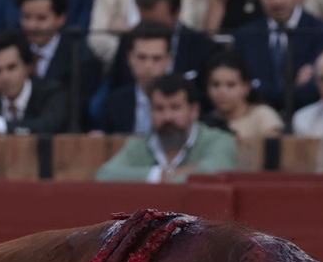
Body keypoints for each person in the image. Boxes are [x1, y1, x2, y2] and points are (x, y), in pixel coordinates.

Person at [234, 0, 323, 111]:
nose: (277, 1)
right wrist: (294, 87)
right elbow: (243, 91)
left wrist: (261, 87)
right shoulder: (246, 35)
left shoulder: (321, 32)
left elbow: (313, 91)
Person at [98, 74, 239, 182]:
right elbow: (105, 175)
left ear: (194, 110)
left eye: (175, 107)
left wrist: (158, 179)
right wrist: (159, 174)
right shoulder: (139, 146)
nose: (167, 117)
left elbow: (216, 172)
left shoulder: (219, 140)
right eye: (159, 109)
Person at [107, 0, 215, 92]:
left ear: (177, 13)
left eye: (158, 23)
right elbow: (117, 89)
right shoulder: (128, 41)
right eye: (146, 22)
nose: (153, 29)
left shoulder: (203, 47)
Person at [19, 0, 99, 96]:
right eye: (27, 17)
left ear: (61, 19)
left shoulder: (81, 58)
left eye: (41, 18)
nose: (32, 26)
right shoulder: (12, 47)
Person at [101, 23, 179, 136]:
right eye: (141, 57)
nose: (148, 65)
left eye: (156, 58)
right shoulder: (114, 104)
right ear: (129, 58)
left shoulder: (181, 102)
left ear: (168, 60)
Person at [201, 47, 284, 139]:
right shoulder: (206, 122)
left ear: (247, 87)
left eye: (231, 85)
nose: (222, 91)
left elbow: (273, 151)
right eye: (215, 84)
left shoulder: (263, 116)